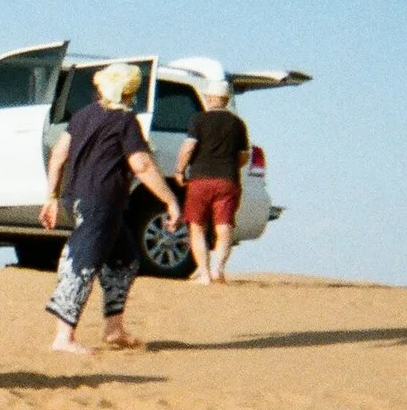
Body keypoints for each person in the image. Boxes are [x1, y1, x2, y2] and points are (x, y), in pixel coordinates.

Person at [38, 63, 183, 353]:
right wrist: (170, 199)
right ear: (129, 92)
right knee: (82, 262)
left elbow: (58, 154)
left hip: (83, 199)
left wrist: (52, 196)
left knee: (124, 260)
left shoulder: (82, 115)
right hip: (99, 201)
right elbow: (141, 164)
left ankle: (113, 329)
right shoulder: (124, 120)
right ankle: (63, 337)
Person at [174, 81, 250, 284]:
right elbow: (244, 156)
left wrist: (180, 170)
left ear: (208, 98)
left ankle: (204, 273)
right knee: (224, 226)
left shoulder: (198, 120)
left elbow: (189, 147)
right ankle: (218, 269)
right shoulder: (237, 123)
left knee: (197, 226)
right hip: (228, 179)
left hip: (200, 179)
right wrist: (230, 165)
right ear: (226, 99)